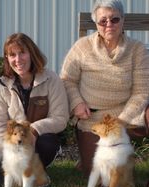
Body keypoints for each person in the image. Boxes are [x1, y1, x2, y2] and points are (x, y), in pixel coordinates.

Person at [60, 0, 149, 177]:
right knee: (99, 177)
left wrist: (121, 122)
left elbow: (142, 91)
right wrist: (76, 103)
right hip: (93, 119)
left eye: (115, 19)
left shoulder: (137, 50)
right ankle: (94, 163)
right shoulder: (82, 47)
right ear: (96, 23)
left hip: (129, 116)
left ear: (123, 21)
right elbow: (67, 80)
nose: (109, 24)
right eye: (103, 21)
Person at [0, 33, 69, 187]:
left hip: (40, 142)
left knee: (48, 142)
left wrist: (34, 130)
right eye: (12, 55)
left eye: (22, 53)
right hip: (12, 146)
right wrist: (4, 155)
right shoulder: (1, 84)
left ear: (32, 53)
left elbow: (60, 118)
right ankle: (25, 174)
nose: (18, 60)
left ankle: (37, 170)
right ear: (7, 58)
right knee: (1, 180)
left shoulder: (51, 79)